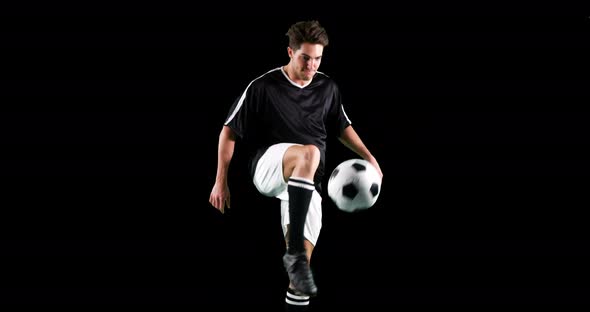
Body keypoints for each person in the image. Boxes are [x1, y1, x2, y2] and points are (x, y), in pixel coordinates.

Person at [209, 20, 383, 310]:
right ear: (290, 52)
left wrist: (370, 157)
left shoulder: (327, 86)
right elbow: (229, 131)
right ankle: (294, 255)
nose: (312, 65)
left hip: (305, 181)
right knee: (309, 154)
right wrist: (220, 180)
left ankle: (296, 274)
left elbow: (342, 126)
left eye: (318, 58)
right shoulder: (263, 86)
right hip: (270, 168)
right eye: (305, 58)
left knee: (302, 274)